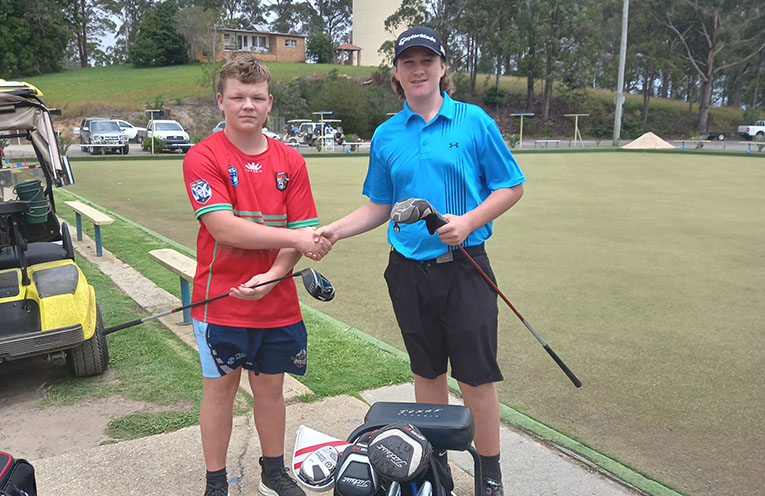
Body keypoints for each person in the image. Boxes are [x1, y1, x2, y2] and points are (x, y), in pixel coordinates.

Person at [316, 26, 525, 496]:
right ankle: (437, 472)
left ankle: (489, 476)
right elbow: (380, 205)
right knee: (427, 375)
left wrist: (468, 221)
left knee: (476, 379)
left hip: (466, 266)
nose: (418, 70)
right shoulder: (387, 134)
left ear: (442, 67)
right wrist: (335, 230)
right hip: (407, 271)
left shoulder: (473, 121)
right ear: (396, 72)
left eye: (426, 60)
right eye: (408, 62)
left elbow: (511, 186)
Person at [182, 55, 331, 496]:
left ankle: (273, 472)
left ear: (269, 103)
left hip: (276, 301)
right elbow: (223, 228)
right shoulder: (202, 156)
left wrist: (274, 274)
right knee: (219, 393)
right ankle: (215, 482)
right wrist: (297, 239)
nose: (248, 105)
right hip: (220, 300)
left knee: (270, 392)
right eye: (238, 97)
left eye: (257, 97)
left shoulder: (291, 160)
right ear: (220, 101)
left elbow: (300, 233)